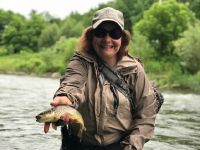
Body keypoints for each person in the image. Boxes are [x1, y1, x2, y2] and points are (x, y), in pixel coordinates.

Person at [44, 7, 157, 150]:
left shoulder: (135, 71)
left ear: (122, 38)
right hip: (78, 144)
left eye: (114, 33)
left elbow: (146, 117)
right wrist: (65, 97)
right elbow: (73, 82)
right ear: (91, 36)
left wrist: (131, 147)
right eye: (100, 32)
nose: (107, 39)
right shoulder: (79, 62)